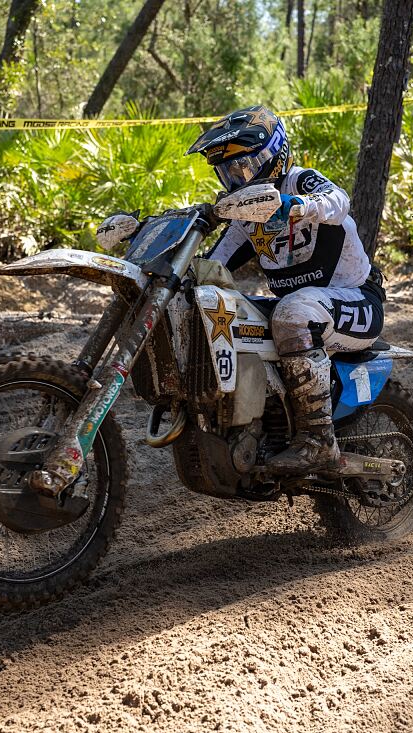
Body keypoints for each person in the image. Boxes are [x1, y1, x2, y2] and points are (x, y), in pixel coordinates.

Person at [98, 105, 384, 474]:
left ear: (273, 157)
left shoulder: (299, 182)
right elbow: (212, 266)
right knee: (213, 305)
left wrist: (295, 206)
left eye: (243, 167)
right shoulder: (245, 220)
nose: (237, 180)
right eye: (227, 172)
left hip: (358, 300)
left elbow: (338, 201)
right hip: (303, 306)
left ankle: (318, 441)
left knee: (292, 313)